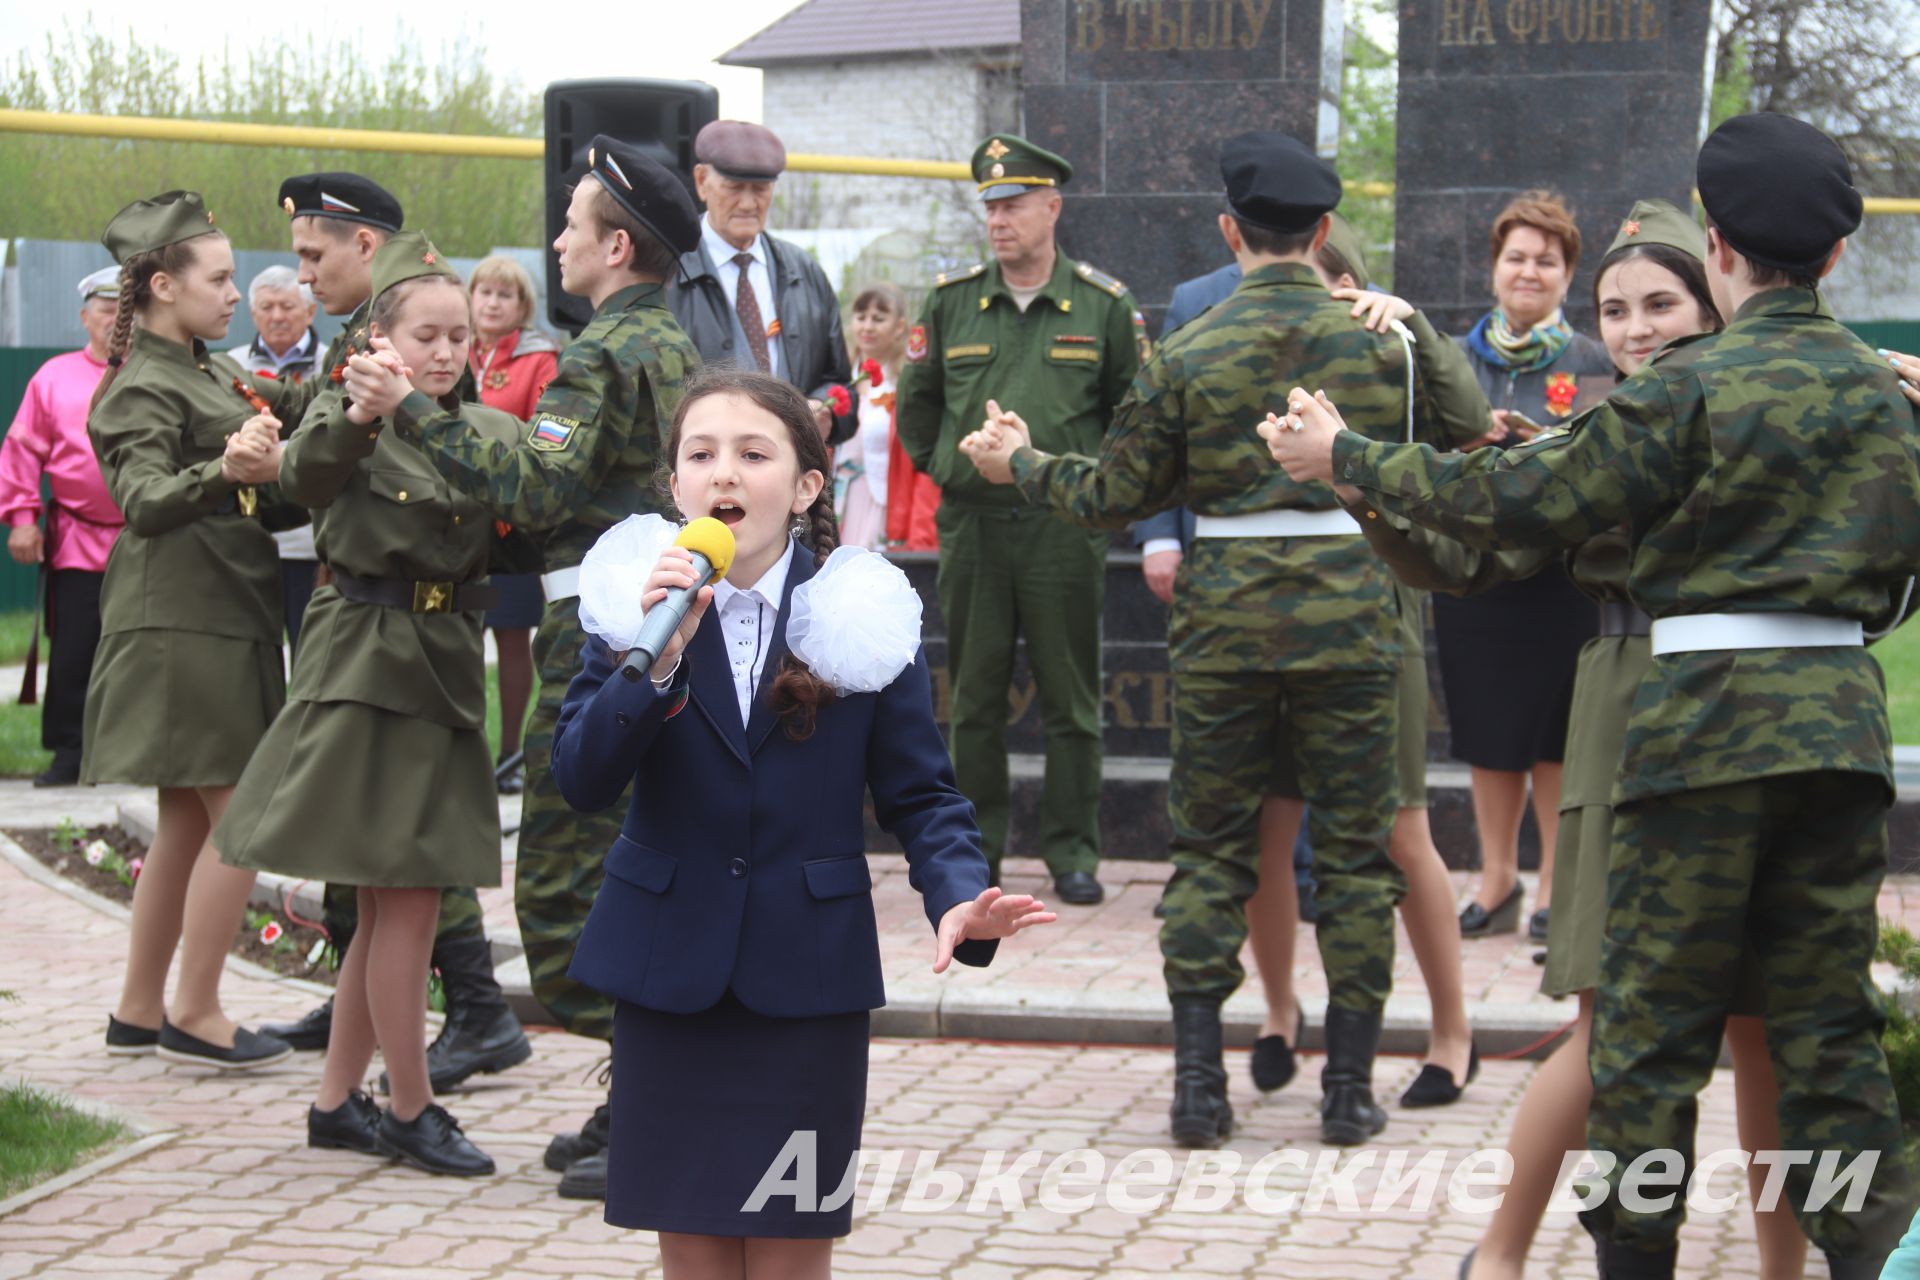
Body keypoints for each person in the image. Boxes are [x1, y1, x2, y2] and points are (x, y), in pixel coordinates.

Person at [1263, 112, 1920, 1278]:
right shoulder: (1887, 393)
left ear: (1717, 247)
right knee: (1829, 1041)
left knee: (1650, 1044)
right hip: (1839, 722)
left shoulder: (1686, 391)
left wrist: (1350, 459)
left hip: (1702, 732)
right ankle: (1882, 1255)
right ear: (1832, 256)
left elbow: (1513, 497)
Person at [959, 132, 1488, 1148]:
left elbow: (1113, 494)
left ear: (1229, 231)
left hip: (1226, 626)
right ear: (1326, 231)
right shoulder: (1381, 337)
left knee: (1210, 849)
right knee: (1357, 855)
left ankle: (1198, 1083)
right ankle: (1347, 1088)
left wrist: (1021, 462)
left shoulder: (1190, 346)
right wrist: (1414, 323)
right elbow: (1468, 432)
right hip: (1353, 620)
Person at [1346, 200, 1813, 1279]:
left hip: (1757, 725)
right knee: (1611, 1024)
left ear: (1716, 300)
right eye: (1615, 310)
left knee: (1764, 1031)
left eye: (1661, 302)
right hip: (1629, 713)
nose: (1638, 327)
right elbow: (1475, 553)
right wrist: (1351, 477)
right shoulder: (1594, 435)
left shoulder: (1772, 411)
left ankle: (1787, 1268)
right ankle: (1500, 1251)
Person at [552, 366, 1055, 1275]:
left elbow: (922, 793)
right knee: (694, 1252)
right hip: (670, 975)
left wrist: (958, 896)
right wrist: (653, 658)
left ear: (808, 484)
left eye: (753, 453)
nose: (724, 475)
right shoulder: (633, 602)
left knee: (789, 1253)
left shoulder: (858, 610)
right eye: (700, 455)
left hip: (806, 984)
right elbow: (580, 777)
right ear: (675, 486)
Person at [358, 133, 702, 1201]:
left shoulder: (598, 354)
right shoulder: (677, 342)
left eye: (571, 224)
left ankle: (653, 1096)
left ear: (615, 245)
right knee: (628, 864)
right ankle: (634, 1096)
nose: (556, 240)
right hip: (652, 620)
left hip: (595, 634)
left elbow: (543, 492)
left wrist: (414, 406)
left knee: (562, 883)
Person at [219, 232, 525, 1178]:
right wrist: (354, 410)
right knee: (408, 899)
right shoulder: (351, 416)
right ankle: (409, 1105)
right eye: (424, 337)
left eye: (458, 338)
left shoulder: (477, 427)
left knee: (395, 902)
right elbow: (300, 482)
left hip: (442, 660)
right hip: (370, 660)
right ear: (379, 343)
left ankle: (334, 1104)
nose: (444, 354)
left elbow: (533, 494)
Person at [1245, 216, 1484, 1107]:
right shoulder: (1238, 337)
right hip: (1265, 615)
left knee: (1400, 828)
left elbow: (1462, 431)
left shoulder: (1389, 343)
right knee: (1268, 826)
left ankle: (1453, 1034)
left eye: (1326, 283)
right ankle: (1278, 1013)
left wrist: (1415, 326)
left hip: (1375, 605)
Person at [894, 133, 1145, 907]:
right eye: (991, 207)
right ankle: (979, 853)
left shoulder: (1104, 305)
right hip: (974, 528)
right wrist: (951, 469)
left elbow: (1131, 412)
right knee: (973, 697)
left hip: (1063, 526)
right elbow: (917, 409)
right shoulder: (951, 302)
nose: (999, 220)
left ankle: (1073, 853)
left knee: (1072, 696)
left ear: (1052, 208)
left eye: (1014, 205)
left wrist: (1087, 483)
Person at [84, 190, 299, 1070]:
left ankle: (140, 1011)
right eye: (218, 278)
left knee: (185, 820)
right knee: (242, 818)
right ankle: (198, 1013)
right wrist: (225, 466)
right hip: (183, 620)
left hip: (218, 610)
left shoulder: (205, 369)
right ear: (163, 286)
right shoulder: (141, 382)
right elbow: (139, 502)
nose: (233, 293)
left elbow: (286, 399)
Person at [1444, 191, 1614, 942]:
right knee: (1489, 736)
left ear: (1567, 276)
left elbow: (1607, 465)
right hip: (1477, 577)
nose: (1529, 271)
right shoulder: (1451, 358)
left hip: (1562, 581)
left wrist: (1542, 442)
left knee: (1554, 738)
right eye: (1516, 257)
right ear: (1493, 268)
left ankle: (1552, 888)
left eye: (1547, 260)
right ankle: (1497, 879)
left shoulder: (1594, 361)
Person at [0, 266, 126, 787]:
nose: (116, 319)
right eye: (105, 309)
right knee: (76, 647)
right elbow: (21, 453)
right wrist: (23, 519)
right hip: (76, 537)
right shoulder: (52, 376)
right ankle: (70, 752)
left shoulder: (161, 374)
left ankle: (132, 755)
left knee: (144, 651)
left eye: (126, 310)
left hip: (150, 537)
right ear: (85, 317)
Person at [668, 120, 854, 444]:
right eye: (734, 187)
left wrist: (826, 414)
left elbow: (839, 381)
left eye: (760, 189)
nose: (748, 203)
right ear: (701, 181)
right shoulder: (668, 274)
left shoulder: (805, 272)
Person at [466, 253, 561, 794]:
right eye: (485, 292)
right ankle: (469, 751)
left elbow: (541, 433)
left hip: (508, 524)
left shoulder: (540, 359)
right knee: (460, 635)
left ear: (522, 306)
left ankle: (509, 757)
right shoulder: (452, 347)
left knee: (509, 636)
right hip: (455, 523)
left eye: (505, 295)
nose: (494, 303)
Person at [226, 265, 324, 650]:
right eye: (267, 307)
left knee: (311, 652)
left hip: (312, 541)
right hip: (252, 538)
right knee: (254, 652)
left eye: (287, 305)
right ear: (252, 314)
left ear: (310, 311)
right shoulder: (232, 366)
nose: (277, 316)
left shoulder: (333, 365)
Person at [834, 281, 908, 548]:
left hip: (882, 496)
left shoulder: (904, 382)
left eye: (878, 319)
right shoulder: (840, 375)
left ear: (899, 326)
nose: (867, 327)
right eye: (861, 317)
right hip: (839, 495)